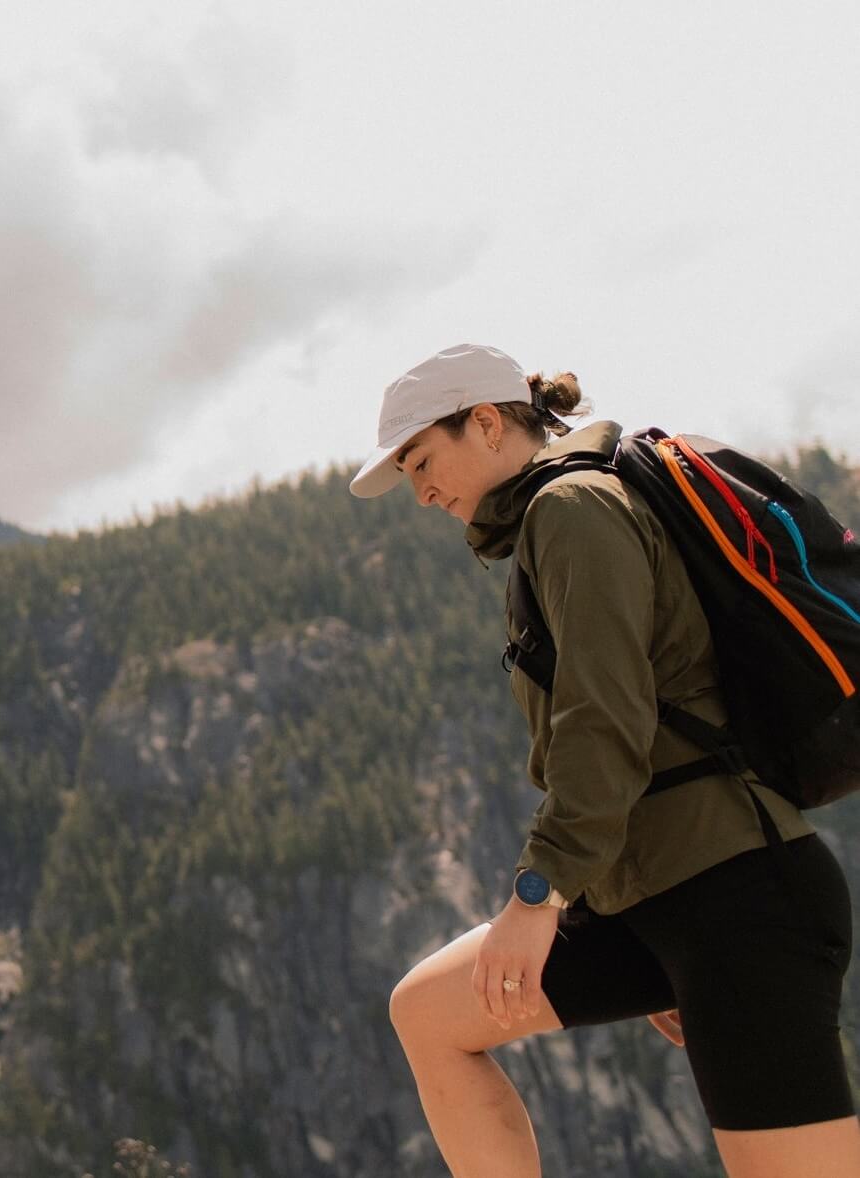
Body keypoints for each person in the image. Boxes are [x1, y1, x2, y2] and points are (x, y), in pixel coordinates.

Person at [352, 344, 859, 1176]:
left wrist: (537, 895)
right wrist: (644, 941)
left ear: (485, 423)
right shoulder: (560, 515)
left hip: (738, 900)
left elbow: (604, 722)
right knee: (431, 1015)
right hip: (662, 898)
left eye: (422, 461)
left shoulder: (574, 508)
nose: (421, 492)